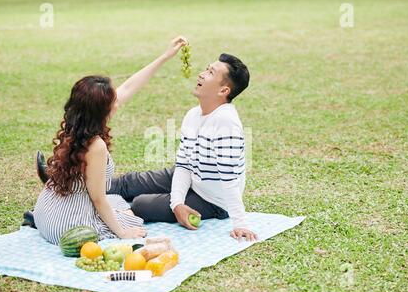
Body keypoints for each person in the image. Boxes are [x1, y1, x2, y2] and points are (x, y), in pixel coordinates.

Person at [34, 52, 258, 242]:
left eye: (210, 73)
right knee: (128, 183)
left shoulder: (226, 124)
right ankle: (72, 178)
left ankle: (73, 182)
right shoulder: (193, 115)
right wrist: (177, 201)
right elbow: (184, 165)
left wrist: (240, 222)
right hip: (192, 177)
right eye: (206, 69)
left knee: (141, 204)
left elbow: (229, 180)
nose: (201, 73)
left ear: (223, 91)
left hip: (213, 199)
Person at [32, 36, 188, 245]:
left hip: (46, 212)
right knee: (130, 217)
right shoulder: (96, 146)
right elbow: (97, 199)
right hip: (68, 225)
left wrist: (165, 56)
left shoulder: (76, 122)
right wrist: (122, 233)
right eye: (114, 100)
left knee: (116, 201)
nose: (118, 100)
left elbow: (130, 86)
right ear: (103, 110)